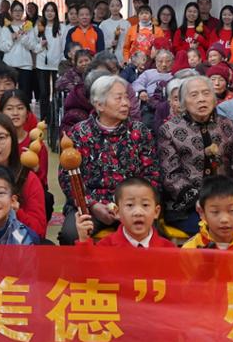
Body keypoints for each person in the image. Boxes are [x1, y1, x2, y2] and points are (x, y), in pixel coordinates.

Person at [63, 74, 160, 244]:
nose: (126, 103)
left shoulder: (140, 131)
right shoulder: (79, 133)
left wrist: (132, 205)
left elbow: (152, 174)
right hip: (91, 205)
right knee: (71, 234)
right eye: (118, 98)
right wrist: (92, 205)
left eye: (126, 97)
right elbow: (68, 178)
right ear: (99, 104)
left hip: (134, 204)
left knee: (151, 234)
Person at [160, 75, 233, 234]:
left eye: (206, 93)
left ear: (214, 99)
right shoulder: (169, 130)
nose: (201, 99)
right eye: (194, 95)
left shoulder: (229, 126)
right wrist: (198, 200)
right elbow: (171, 175)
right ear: (183, 102)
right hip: (188, 207)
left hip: (226, 202)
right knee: (209, 233)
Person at [83, 177, 175, 248]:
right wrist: (83, 239)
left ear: (156, 212)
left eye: (145, 205)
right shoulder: (105, 247)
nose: (138, 212)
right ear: (117, 212)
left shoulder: (168, 249)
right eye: (130, 205)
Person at [181, 175, 233, 251]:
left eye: (231, 210)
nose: (224, 219)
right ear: (202, 213)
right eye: (215, 212)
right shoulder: (190, 249)